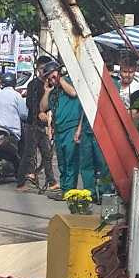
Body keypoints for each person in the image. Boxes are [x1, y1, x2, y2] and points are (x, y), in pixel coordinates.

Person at [52, 67, 103, 198]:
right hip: (61, 130)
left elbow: (74, 93)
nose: (52, 80)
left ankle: (72, 190)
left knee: (72, 162)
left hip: (74, 128)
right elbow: (43, 106)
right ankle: (67, 190)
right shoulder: (55, 92)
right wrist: (48, 89)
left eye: (53, 77)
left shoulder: (71, 82)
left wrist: (61, 80)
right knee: (64, 162)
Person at [19, 58, 56, 191]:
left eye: (46, 69)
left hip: (44, 125)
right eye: (41, 69)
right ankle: (21, 182)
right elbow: (30, 104)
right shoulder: (33, 84)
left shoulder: (51, 85)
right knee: (29, 154)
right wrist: (38, 113)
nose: (43, 72)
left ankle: (51, 181)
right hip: (32, 124)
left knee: (47, 154)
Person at [0, 70, 27, 180]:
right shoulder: (17, 96)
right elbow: (23, 114)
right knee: (21, 151)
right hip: (12, 130)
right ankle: (20, 175)